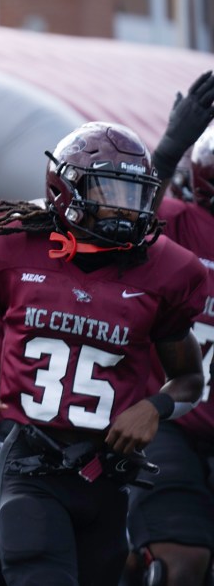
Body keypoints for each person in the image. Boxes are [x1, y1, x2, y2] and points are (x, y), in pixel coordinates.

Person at [0, 120, 207, 586]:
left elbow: (190, 380)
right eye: (109, 192)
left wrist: (155, 406)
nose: (124, 209)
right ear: (65, 190)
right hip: (30, 460)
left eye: (133, 194)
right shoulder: (13, 248)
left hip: (107, 475)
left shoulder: (166, 271)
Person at [123, 72, 214, 586]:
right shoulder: (179, 221)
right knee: (181, 564)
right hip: (166, 417)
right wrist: (166, 152)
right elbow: (127, 224)